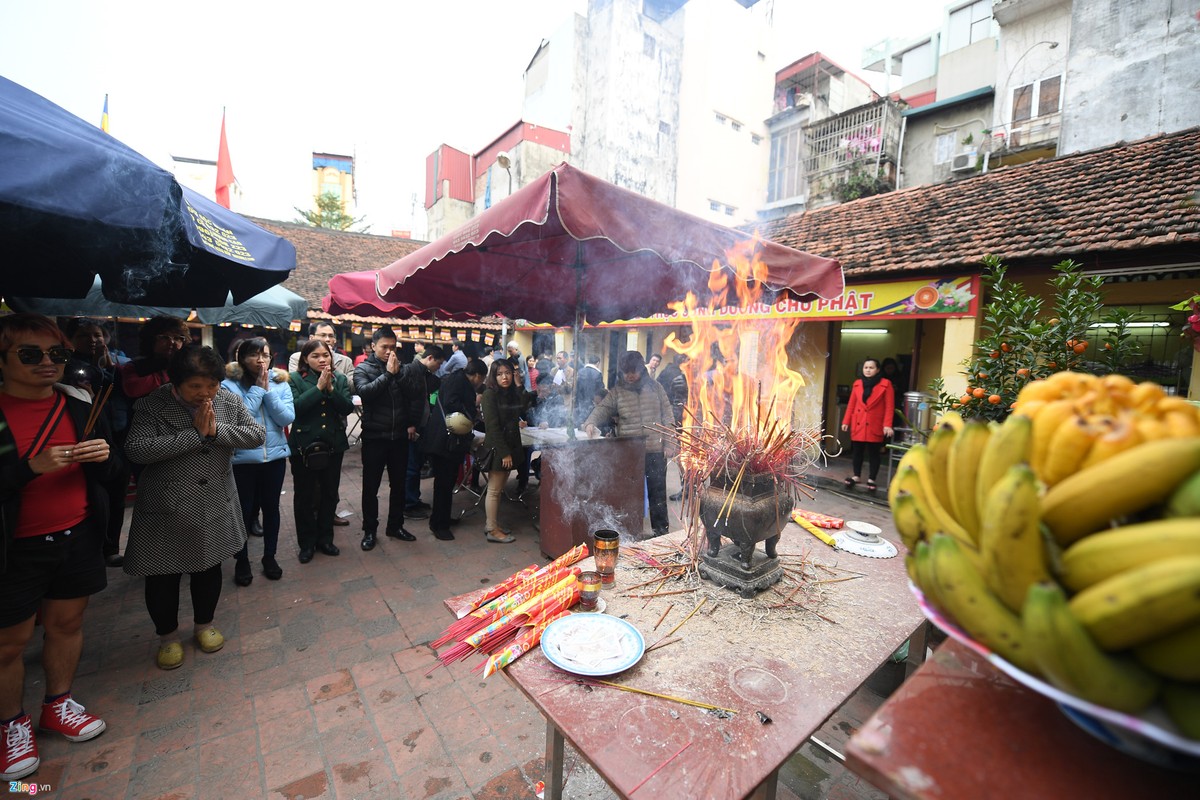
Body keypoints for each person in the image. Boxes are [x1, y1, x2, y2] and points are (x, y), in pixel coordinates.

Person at [0, 314, 116, 781]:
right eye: (31, 354)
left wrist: (106, 459)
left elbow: (113, 474)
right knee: (9, 643)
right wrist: (30, 468)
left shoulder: (79, 404)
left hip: (77, 532)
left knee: (67, 624)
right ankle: (11, 724)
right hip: (15, 547)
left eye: (57, 355)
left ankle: (57, 704)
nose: (47, 363)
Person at [123, 345, 265, 671]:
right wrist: (195, 436)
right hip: (166, 505)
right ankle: (168, 636)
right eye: (195, 387)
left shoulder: (227, 400)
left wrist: (216, 432)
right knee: (162, 576)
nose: (205, 394)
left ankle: (204, 624)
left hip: (213, 499)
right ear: (177, 383)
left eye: (211, 385)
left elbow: (255, 435)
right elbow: (137, 448)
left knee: (208, 566)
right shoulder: (153, 405)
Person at [222, 337, 294, 585]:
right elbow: (238, 419)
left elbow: (286, 418)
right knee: (242, 511)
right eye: (254, 354)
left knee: (271, 508)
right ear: (241, 357)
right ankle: (242, 560)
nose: (261, 360)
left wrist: (269, 393)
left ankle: (269, 556)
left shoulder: (280, 382)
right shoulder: (228, 386)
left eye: (265, 354)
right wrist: (258, 390)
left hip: (274, 458)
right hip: (242, 461)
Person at [585, 351, 676, 537]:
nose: (630, 375)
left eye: (633, 371)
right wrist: (590, 422)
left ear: (641, 369)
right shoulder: (617, 392)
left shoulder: (656, 388)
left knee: (658, 494)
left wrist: (670, 442)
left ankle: (661, 531)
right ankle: (630, 532)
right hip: (629, 453)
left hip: (655, 449)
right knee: (630, 495)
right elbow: (602, 409)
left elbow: (668, 416)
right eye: (626, 372)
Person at [63, 318, 130, 568]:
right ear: (70, 339)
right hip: (88, 436)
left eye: (97, 335)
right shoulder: (68, 365)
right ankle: (91, 549)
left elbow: (125, 390)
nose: (93, 340)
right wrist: (101, 367)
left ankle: (111, 547)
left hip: (118, 435)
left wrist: (109, 365)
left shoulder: (120, 361)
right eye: (84, 335)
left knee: (117, 494)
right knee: (94, 494)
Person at [354, 328, 422, 551]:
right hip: (375, 436)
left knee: (399, 485)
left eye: (393, 347)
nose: (389, 351)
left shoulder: (402, 369)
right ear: (373, 346)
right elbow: (366, 393)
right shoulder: (363, 368)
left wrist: (398, 373)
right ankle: (369, 530)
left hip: (399, 437)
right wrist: (388, 375)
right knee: (370, 487)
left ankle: (395, 525)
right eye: (384, 347)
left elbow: (414, 394)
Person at [288, 339, 355, 563]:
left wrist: (331, 389)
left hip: (333, 445)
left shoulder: (341, 379)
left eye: (325, 355)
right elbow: (296, 408)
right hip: (303, 446)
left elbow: (346, 407)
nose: (322, 359)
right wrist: (317, 389)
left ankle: (326, 539)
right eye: (315, 356)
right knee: (305, 496)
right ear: (305, 359)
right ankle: (306, 543)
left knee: (329, 493)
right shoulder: (295, 379)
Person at [425, 358, 486, 540]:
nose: (480, 383)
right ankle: (439, 525)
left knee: (447, 483)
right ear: (476, 376)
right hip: (445, 441)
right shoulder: (459, 382)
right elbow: (452, 404)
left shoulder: (456, 378)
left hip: (447, 440)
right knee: (443, 484)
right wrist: (473, 412)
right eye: (482, 379)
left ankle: (442, 518)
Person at [479, 360, 530, 544]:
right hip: (499, 448)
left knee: (498, 489)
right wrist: (504, 453)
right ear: (494, 376)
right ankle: (492, 529)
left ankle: (491, 524)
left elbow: (525, 405)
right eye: (500, 373)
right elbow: (492, 427)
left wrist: (519, 385)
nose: (504, 377)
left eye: (508, 372)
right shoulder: (489, 395)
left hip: (510, 446)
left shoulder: (510, 393)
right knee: (494, 490)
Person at [841, 358, 896, 493]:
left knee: (873, 453)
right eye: (866, 367)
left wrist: (887, 425)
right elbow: (851, 404)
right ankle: (856, 476)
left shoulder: (886, 384)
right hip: (859, 422)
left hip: (875, 423)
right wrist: (846, 421)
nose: (868, 370)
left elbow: (890, 406)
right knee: (857, 451)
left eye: (871, 368)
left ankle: (872, 479)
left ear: (877, 370)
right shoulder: (857, 384)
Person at [403, 345, 446, 518]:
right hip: (412, 427)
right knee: (411, 467)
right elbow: (406, 402)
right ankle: (408, 504)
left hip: (420, 424)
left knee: (417, 464)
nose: (439, 368)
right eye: (438, 364)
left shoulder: (423, 373)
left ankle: (414, 498)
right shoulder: (411, 371)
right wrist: (410, 424)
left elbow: (435, 384)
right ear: (430, 358)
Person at [117, 316, 191, 402]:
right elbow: (133, 389)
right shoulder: (135, 366)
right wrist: (167, 372)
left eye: (177, 338)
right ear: (150, 340)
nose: (172, 342)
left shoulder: (188, 365)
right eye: (164, 337)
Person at [287, 322, 354, 382]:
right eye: (323, 335)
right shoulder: (297, 358)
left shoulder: (346, 361)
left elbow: (352, 388)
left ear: (334, 340)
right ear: (311, 338)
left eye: (331, 336)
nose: (328, 339)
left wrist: (332, 364)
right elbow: (295, 383)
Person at [573, 352, 605, 427]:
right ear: (597, 363)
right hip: (592, 402)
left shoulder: (580, 372)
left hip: (580, 401)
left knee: (580, 421)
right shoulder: (598, 374)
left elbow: (576, 387)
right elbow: (600, 389)